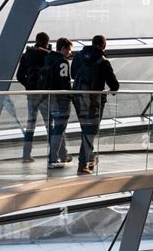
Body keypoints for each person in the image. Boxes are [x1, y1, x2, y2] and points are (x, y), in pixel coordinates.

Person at [71, 34, 119, 175]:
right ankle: (83, 163)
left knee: (86, 129)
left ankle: (90, 157)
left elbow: (73, 75)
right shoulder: (103, 61)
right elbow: (114, 85)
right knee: (90, 131)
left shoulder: (79, 56)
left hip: (78, 97)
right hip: (94, 101)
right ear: (104, 46)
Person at [17, 31, 52, 163]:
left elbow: (19, 76)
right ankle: (53, 153)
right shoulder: (46, 56)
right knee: (49, 124)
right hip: (44, 95)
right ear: (46, 42)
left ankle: (26, 155)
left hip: (31, 95)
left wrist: (29, 86)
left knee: (30, 124)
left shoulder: (26, 55)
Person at [44, 37, 74, 168]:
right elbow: (65, 81)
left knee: (58, 127)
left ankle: (63, 155)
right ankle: (53, 158)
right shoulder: (63, 62)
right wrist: (70, 96)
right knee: (59, 128)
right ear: (63, 48)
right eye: (68, 49)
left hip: (49, 99)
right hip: (61, 99)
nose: (70, 53)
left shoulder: (48, 58)